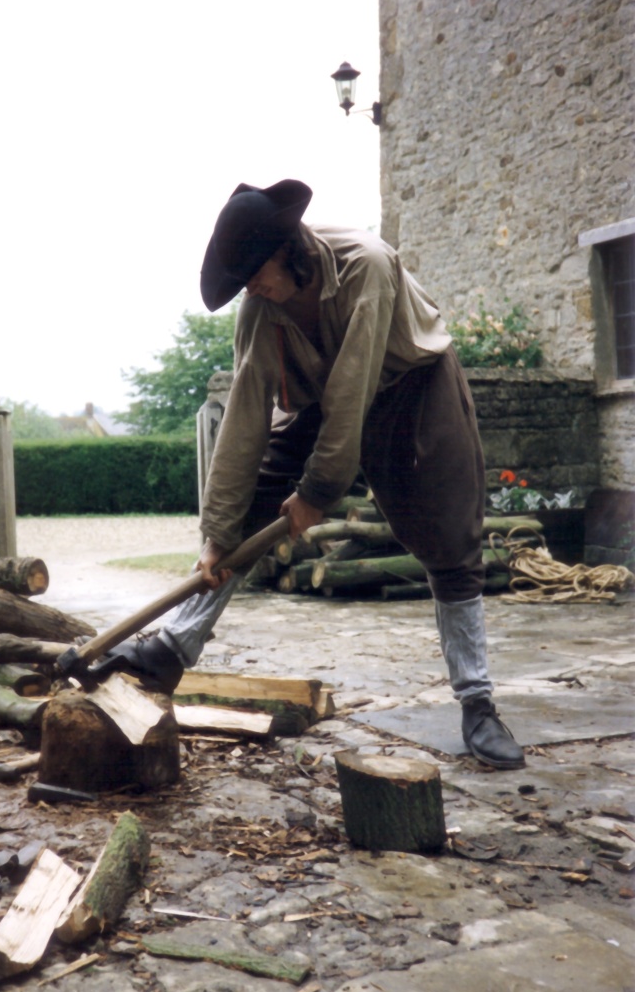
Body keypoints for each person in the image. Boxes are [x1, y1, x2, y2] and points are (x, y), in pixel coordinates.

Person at [101, 179, 525, 770]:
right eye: (243, 278)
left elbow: (355, 390)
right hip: (325, 398)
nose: (253, 285)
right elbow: (245, 419)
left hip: (412, 387)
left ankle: (478, 705)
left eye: (258, 270)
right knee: (243, 515)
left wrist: (317, 493)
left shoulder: (366, 268)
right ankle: (173, 647)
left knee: (450, 541)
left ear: (290, 249)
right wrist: (217, 532)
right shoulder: (260, 310)